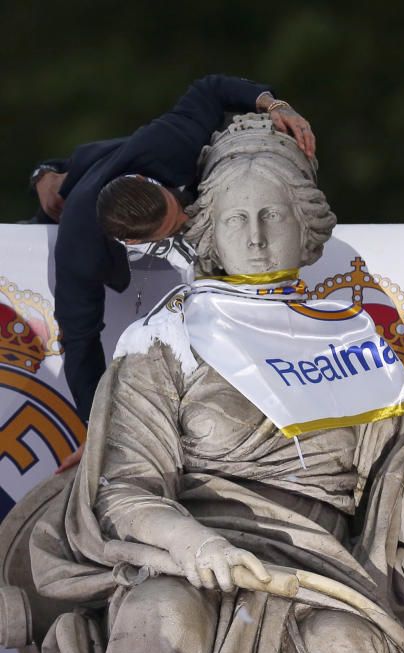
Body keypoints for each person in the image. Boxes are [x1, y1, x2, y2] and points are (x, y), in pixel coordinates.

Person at [28, 116, 404, 653]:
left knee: (347, 646)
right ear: (211, 232)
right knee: (161, 616)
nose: (254, 237)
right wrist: (195, 545)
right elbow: (123, 490)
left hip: (325, 573)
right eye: (235, 219)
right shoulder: (166, 336)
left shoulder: (357, 344)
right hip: (188, 557)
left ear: (307, 228)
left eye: (272, 215)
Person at [30, 75, 315, 438]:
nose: (186, 221)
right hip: (74, 200)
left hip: (117, 155)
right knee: (53, 193)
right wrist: (97, 431)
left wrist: (276, 106)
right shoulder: (80, 248)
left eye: (175, 209)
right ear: (131, 241)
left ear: (157, 184)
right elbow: (79, 341)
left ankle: (54, 173)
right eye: (173, 229)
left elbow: (211, 89)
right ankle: (47, 174)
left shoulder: (170, 144)